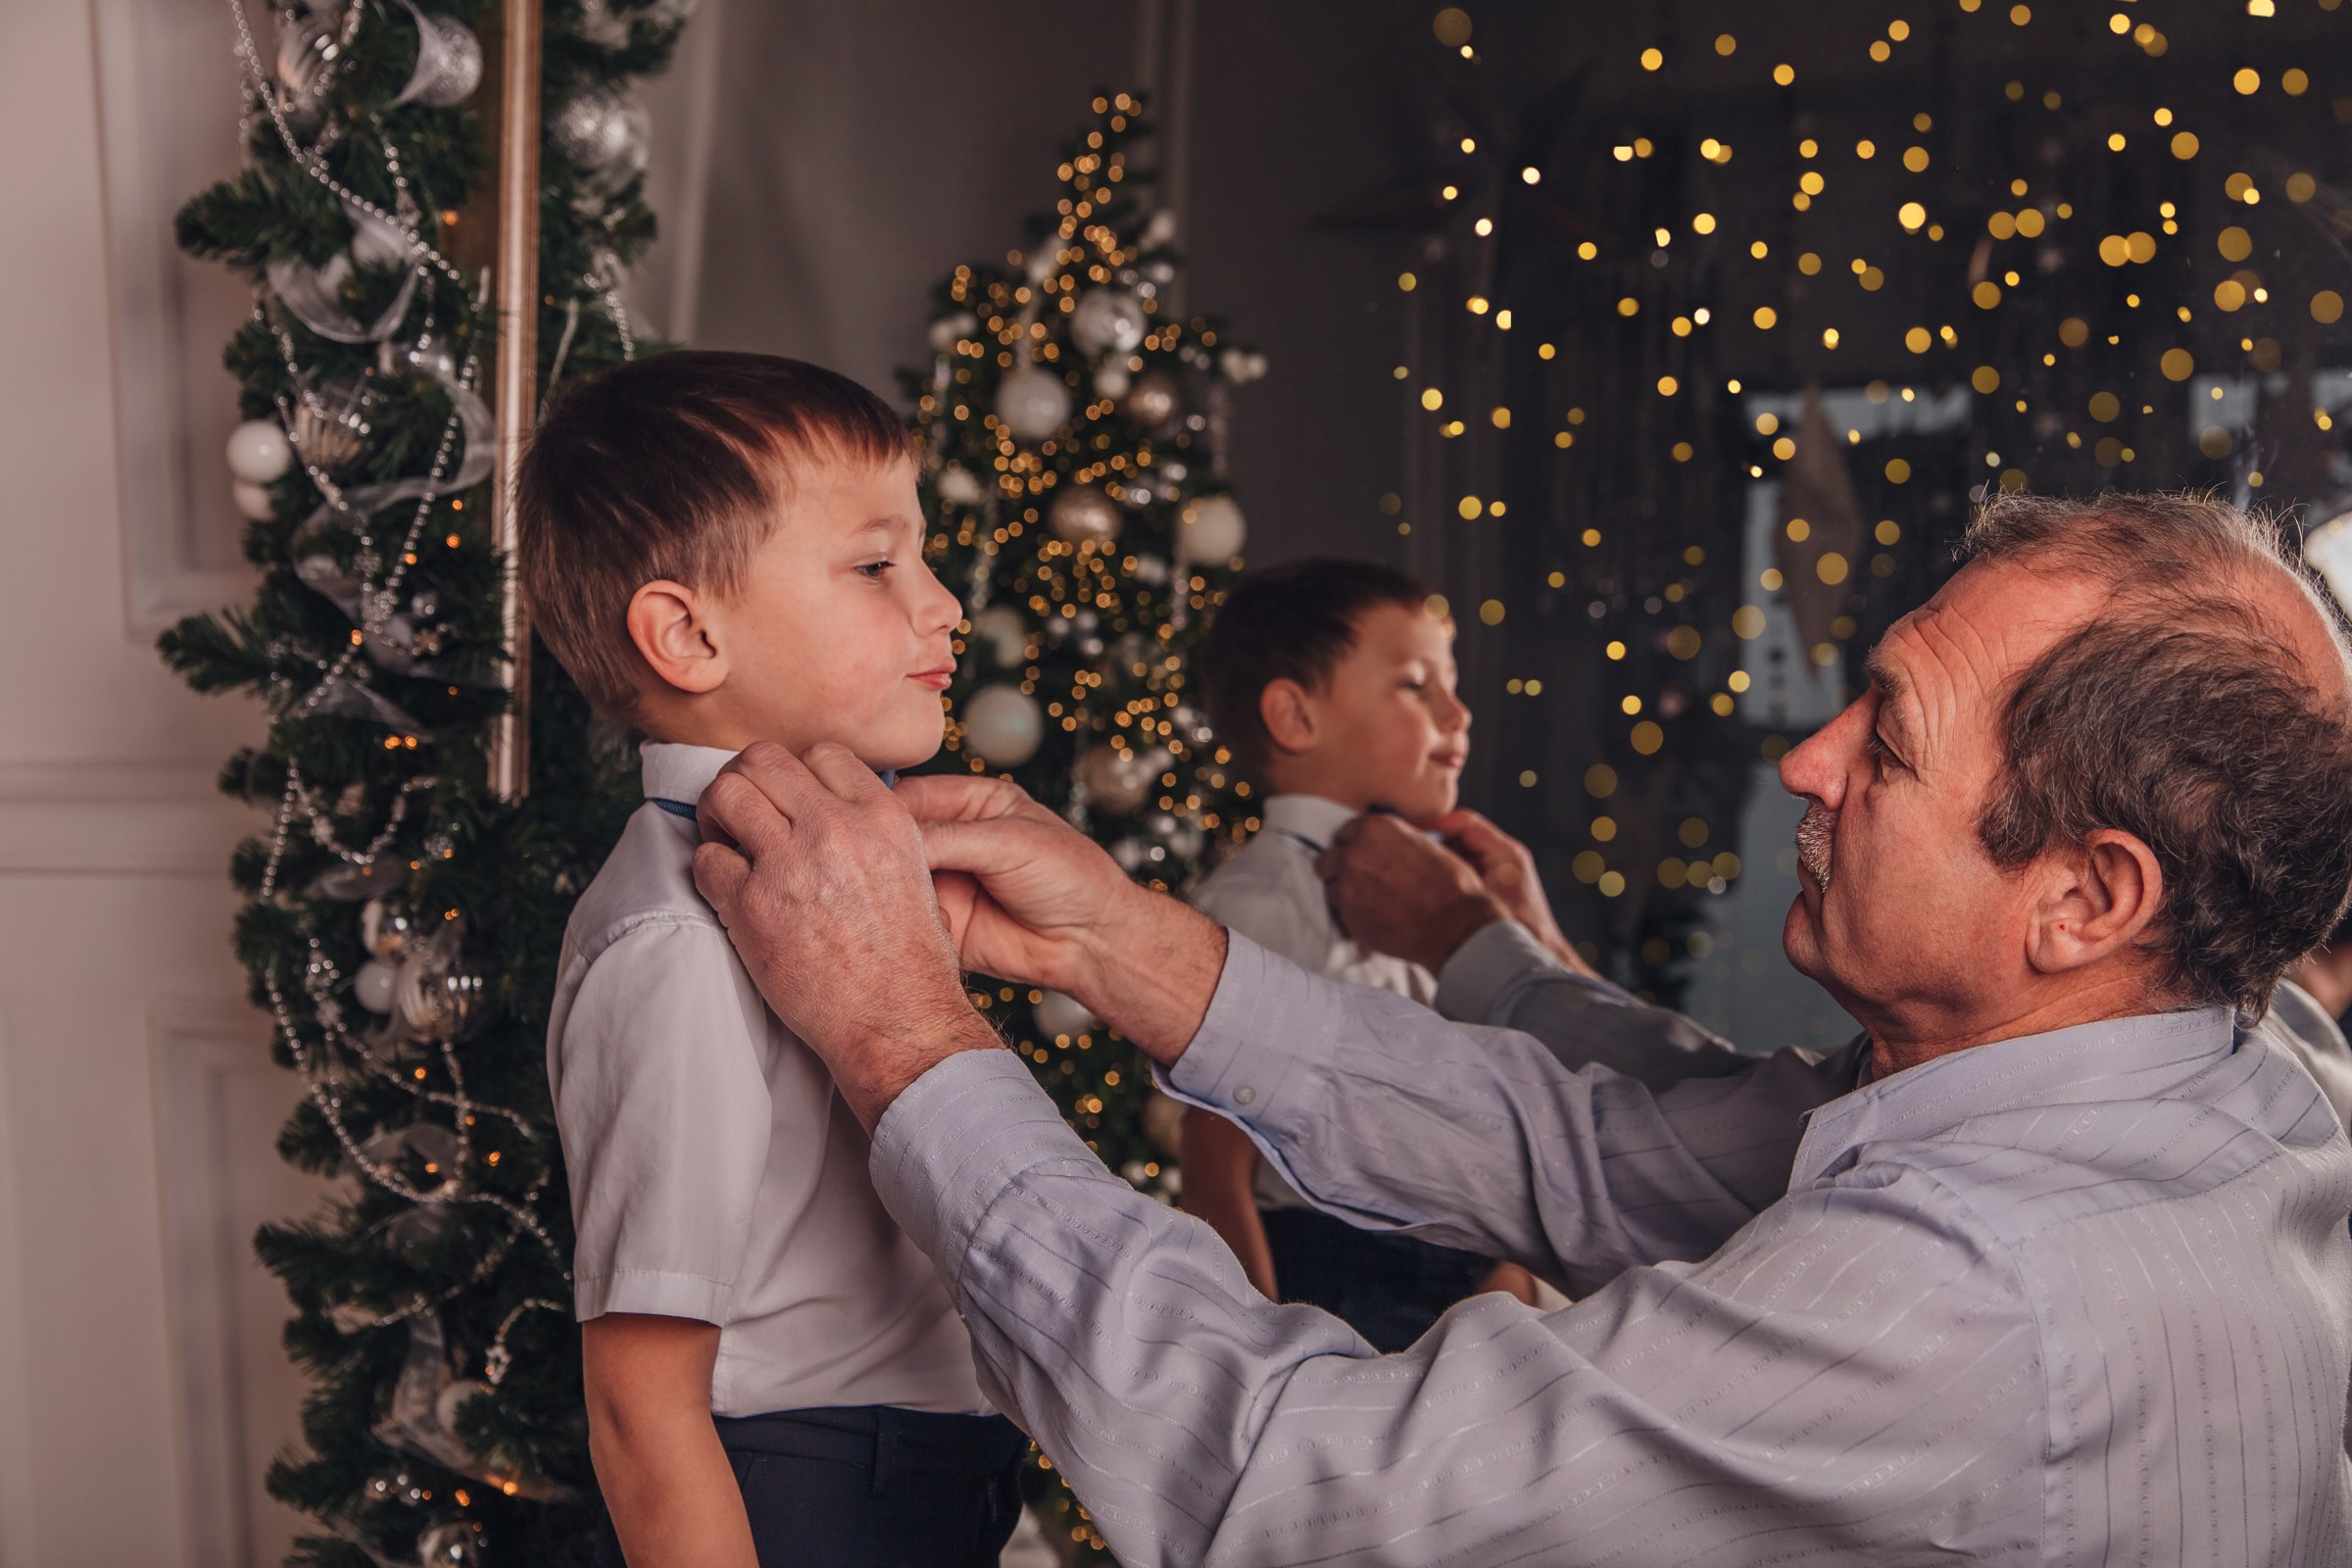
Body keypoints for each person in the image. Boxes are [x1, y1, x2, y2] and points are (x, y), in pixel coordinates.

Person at [691, 491, 2352, 1564]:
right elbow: (1605, 1141)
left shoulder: (1975, 1299)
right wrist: (1137, 947)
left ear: (2086, 898)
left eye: (1893, 745)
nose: (1808, 761)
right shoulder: (2243, 1057)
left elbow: (1293, 1481)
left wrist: (907, 1039)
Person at [517, 351, 1025, 1568]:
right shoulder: (678, 943)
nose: (944, 603)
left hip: (929, 1476)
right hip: (802, 1500)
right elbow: (643, 1406)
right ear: (688, 635)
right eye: (874, 565)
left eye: (923, 554)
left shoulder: (851, 861)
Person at [1182, 557, 1542, 1343]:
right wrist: (1267, 1365)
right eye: (1416, 685)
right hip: (1334, 1296)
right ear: (1296, 717)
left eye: (1451, 683)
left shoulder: (1439, 897)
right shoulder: (1260, 906)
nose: (1459, 714)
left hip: (1466, 1293)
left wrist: (1503, 1280)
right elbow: (1215, 1173)